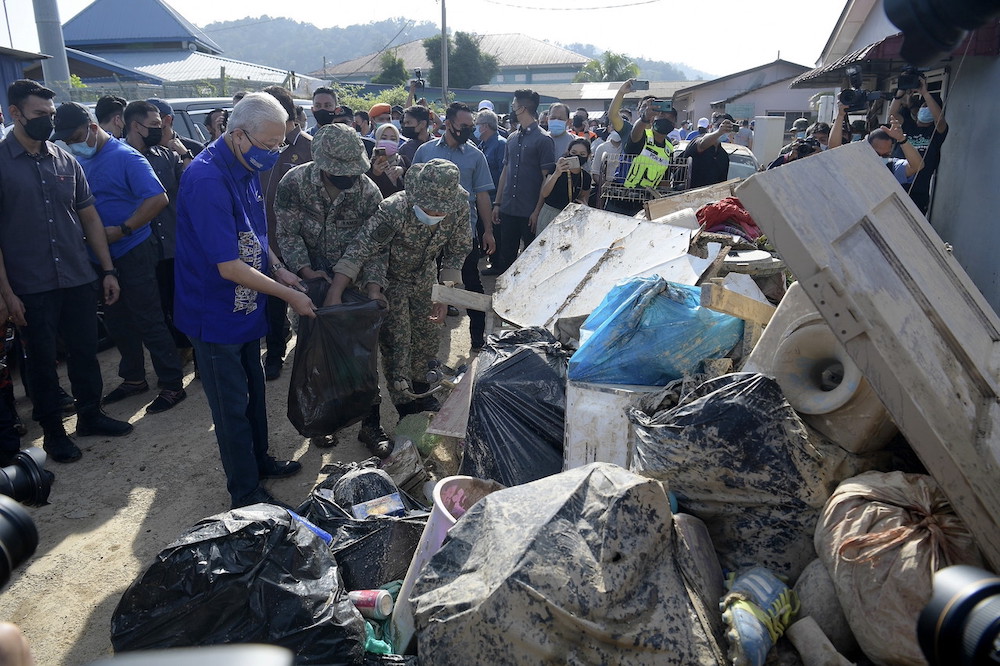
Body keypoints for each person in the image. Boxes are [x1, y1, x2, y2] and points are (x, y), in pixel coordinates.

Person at [174, 92, 316, 509]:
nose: (275, 152)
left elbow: (253, 234)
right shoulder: (205, 179)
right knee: (231, 407)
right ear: (237, 134)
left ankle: (260, 461)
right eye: (270, 144)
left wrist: (278, 266)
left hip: (245, 306)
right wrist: (288, 293)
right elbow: (229, 267)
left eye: (280, 144)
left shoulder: (246, 165)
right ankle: (245, 490)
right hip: (214, 312)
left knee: (254, 393)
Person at [0, 80, 131, 463]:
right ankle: (54, 433)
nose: (47, 121)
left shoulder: (63, 159)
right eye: (39, 114)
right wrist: (6, 294)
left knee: (85, 352)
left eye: (51, 115)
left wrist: (107, 269)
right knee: (41, 363)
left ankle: (90, 415)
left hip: (76, 276)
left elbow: (88, 215)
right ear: (15, 113)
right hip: (30, 285)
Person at [54, 102, 187, 414]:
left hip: (133, 248)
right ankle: (133, 378)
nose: (72, 144)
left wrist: (125, 229)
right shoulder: (76, 159)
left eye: (76, 137)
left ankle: (171, 383)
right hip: (100, 256)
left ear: (94, 128)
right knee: (118, 320)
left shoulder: (125, 157)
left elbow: (157, 198)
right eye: (67, 140)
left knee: (148, 316)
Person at [274, 123, 391, 456]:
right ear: (321, 164)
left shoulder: (368, 192)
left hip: (353, 285)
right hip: (308, 283)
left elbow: (376, 246)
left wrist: (372, 288)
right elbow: (288, 233)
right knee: (316, 357)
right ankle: (322, 422)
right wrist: (308, 273)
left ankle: (370, 425)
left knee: (362, 357)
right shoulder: (294, 183)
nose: (348, 177)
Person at [325, 159, 472, 417]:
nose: (436, 215)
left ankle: (422, 390)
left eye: (441, 211)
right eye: (430, 208)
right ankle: (405, 404)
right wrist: (335, 292)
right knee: (398, 342)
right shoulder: (393, 209)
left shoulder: (458, 206)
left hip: (426, 277)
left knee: (427, 336)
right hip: (391, 280)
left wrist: (444, 294)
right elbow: (361, 249)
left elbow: (457, 251)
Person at [413, 102, 496, 353]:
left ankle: (478, 339)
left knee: (471, 284)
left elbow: (482, 196)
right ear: (447, 124)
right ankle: (421, 342)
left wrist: (488, 231)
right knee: (424, 285)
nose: (469, 130)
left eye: (471, 126)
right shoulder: (424, 152)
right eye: (464, 126)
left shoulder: (475, 156)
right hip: (426, 232)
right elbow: (412, 192)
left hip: (462, 233)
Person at [122, 100, 191, 358]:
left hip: (173, 245)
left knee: (180, 301)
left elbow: (191, 186)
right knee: (154, 307)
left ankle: (187, 350)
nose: (158, 129)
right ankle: (166, 357)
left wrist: (184, 155)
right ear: (135, 125)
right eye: (152, 125)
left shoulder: (166, 157)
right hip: (140, 246)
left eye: (159, 125)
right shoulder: (119, 158)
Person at [259, 85, 313, 381]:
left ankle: (311, 354)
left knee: (306, 297)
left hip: (301, 244)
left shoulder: (308, 147)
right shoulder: (261, 145)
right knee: (273, 303)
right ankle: (276, 353)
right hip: (268, 240)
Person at [486, 89, 555, 275]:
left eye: (514, 105)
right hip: (508, 208)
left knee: (531, 259)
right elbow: (505, 173)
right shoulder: (512, 138)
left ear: (522, 108)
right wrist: (498, 204)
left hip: (529, 211)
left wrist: (537, 211)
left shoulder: (543, 139)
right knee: (506, 258)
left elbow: (545, 178)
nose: (512, 108)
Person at [888, 77, 948, 213]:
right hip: (895, 188)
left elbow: (940, 120)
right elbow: (892, 114)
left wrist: (925, 93)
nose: (925, 108)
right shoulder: (907, 126)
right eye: (923, 105)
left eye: (928, 107)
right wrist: (900, 92)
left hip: (917, 194)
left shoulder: (935, 132)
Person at [537, 138, 592, 234]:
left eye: (582, 154)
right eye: (573, 152)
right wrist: (556, 174)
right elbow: (545, 193)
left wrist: (584, 207)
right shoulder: (556, 168)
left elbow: (583, 199)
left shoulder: (586, 177)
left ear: (588, 156)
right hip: (550, 214)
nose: (577, 157)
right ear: (568, 152)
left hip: (571, 217)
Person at [683, 114, 733, 188]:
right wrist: (719, 132)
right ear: (710, 126)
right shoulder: (697, 141)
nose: (724, 130)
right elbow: (702, 144)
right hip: (686, 195)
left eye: (728, 128)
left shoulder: (723, 156)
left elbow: (721, 185)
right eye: (720, 125)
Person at [369, 123, 406, 197]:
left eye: (393, 139)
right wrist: (375, 174)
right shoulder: (368, 164)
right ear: (377, 139)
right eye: (383, 138)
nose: (388, 142)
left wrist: (402, 171)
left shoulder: (403, 160)